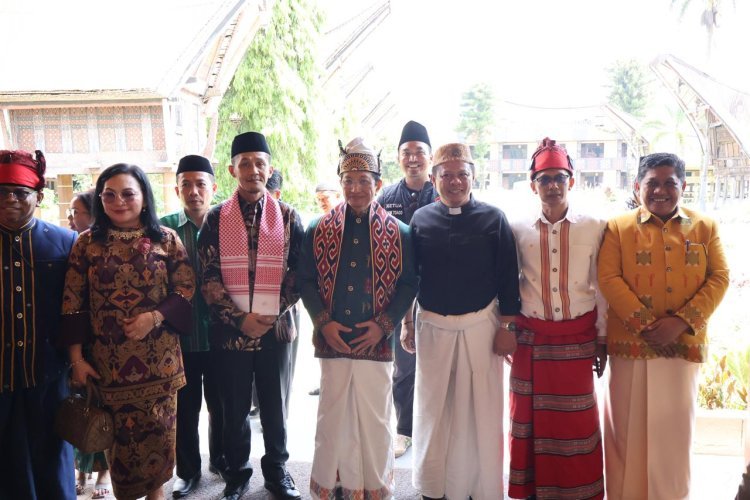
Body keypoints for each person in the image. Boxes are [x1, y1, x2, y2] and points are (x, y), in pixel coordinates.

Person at [598, 152, 730, 499]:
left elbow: (720, 277)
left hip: (681, 348)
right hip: (631, 347)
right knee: (626, 435)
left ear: (683, 186)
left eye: (669, 183)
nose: (660, 191)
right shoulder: (617, 228)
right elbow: (609, 278)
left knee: (674, 436)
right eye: (651, 183)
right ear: (637, 186)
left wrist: (680, 323)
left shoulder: (705, 227)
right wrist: (647, 325)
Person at [61, 163, 195, 500]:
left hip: (159, 369)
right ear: (100, 201)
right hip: (110, 369)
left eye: (128, 193)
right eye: (109, 195)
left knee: (160, 445)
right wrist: (76, 361)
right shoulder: (86, 244)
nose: (119, 201)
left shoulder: (166, 239)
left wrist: (155, 317)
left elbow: (186, 288)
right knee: (119, 450)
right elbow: (72, 303)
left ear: (144, 199)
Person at [298, 137, 417, 499]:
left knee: (375, 420)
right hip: (333, 341)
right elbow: (304, 280)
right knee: (332, 418)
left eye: (364, 180)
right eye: (349, 180)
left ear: (378, 184)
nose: (356, 188)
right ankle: (334, 485)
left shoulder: (400, 232)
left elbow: (410, 282)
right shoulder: (317, 228)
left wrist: (384, 325)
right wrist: (323, 321)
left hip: (375, 342)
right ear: (341, 183)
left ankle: (374, 486)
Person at [407, 143, 520, 500]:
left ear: (473, 176)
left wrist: (507, 328)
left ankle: (478, 487)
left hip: (481, 327)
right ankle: (433, 486)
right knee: (433, 410)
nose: (455, 181)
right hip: (433, 328)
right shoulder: (421, 220)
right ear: (434, 178)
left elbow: (508, 277)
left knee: (480, 412)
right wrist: (409, 325)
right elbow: (412, 277)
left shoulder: (493, 219)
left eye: (462, 174)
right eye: (447, 175)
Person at [197, 131, 303, 500]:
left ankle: (277, 471)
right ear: (232, 169)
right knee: (234, 408)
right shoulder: (214, 220)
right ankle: (237, 475)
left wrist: (270, 315)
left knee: (275, 408)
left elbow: (299, 274)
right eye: (245, 163)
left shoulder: (289, 217)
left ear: (269, 168)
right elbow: (207, 278)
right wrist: (241, 319)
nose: (253, 170)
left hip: (275, 331)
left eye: (260, 163)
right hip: (231, 333)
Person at [507, 138, 606, 499]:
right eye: (544, 178)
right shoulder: (516, 227)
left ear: (572, 182)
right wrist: (505, 329)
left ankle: (577, 492)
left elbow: (602, 285)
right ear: (533, 185)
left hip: (577, 340)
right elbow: (508, 282)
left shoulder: (594, 226)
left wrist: (603, 337)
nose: (552, 186)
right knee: (526, 423)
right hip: (529, 341)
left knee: (576, 424)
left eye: (559, 178)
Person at [0, 149, 77, 500]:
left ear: (39, 197)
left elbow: (78, 310)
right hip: (0, 378)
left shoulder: (66, 243)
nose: (10, 200)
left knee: (53, 465)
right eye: (1, 192)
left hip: (48, 375)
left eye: (20, 192)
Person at [160, 155, 222, 498]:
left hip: (220, 336)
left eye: (201, 184)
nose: (194, 191)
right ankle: (187, 471)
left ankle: (222, 460)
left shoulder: (226, 225)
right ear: (177, 189)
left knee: (222, 405)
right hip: (179, 339)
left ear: (213, 187)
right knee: (184, 409)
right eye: (187, 184)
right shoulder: (163, 228)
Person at [377, 120, 437, 458]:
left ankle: (434, 427)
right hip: (399, 294)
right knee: (404, 366)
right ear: (399, 159)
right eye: (406, 153)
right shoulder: (387, 196)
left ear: (430, 158)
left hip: (436, 291)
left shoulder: (442, 191)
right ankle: (403, 430)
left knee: (438, 365)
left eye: (419, 152)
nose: (413, 158)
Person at [66, 189, 113, 499]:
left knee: (105, 412)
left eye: (77, 212)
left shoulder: (106, 245)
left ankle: (104, 472)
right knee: (82, 408)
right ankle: (81, 470)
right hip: (79, 343)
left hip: (109, 345)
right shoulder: (72, 244)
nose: (71, 217)